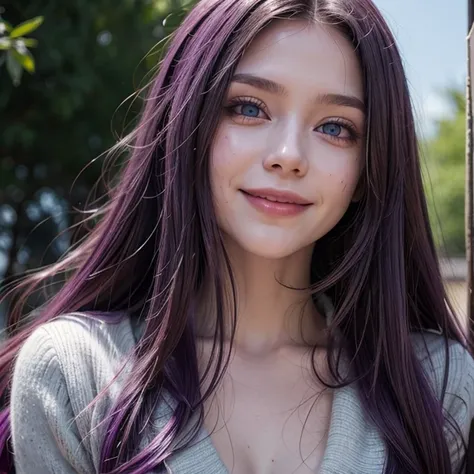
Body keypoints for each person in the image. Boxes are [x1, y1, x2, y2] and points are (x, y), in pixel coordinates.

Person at [0, 0, 473, 472]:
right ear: (185, 124)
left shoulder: (436, 387)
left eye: (335, 127)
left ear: (371, 164)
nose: (288, 156)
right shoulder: (76, 374)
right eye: (249, 108)